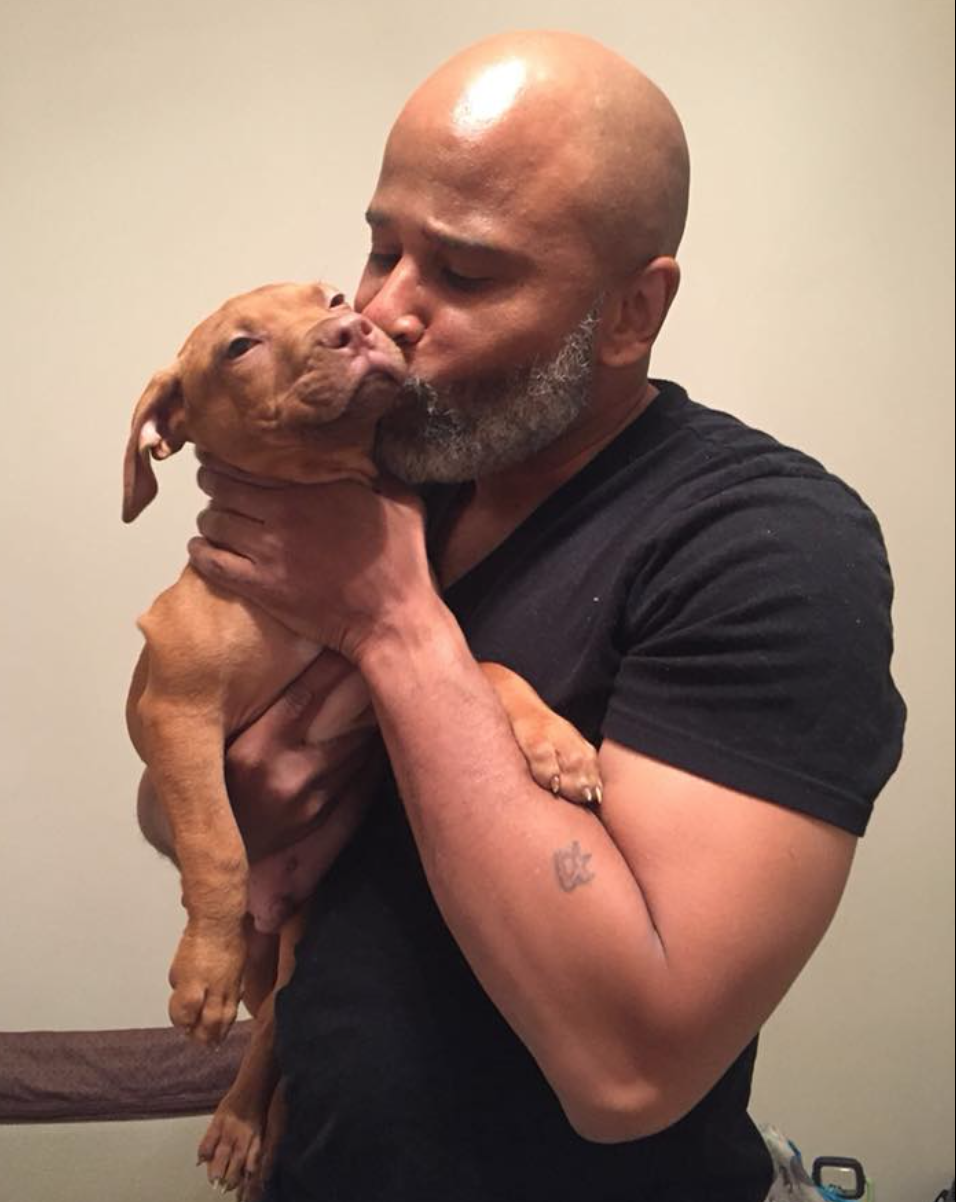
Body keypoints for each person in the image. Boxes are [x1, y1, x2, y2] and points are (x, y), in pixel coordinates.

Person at [187, 30, 906, 1202]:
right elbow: (195, 798)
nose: (382, 311)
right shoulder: (386, 474)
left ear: (630, 312)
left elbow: (628, 1068)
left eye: (464, 274)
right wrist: (239, 803)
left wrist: (391, 621)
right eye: (379, 248)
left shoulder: (762, 543)